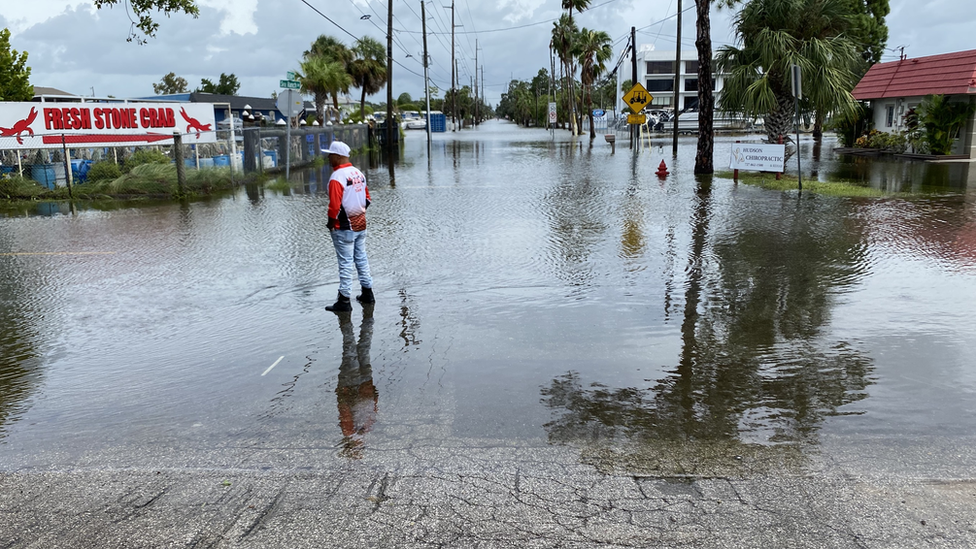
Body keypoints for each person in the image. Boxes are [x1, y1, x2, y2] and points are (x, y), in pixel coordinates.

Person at [322, 140, 374, 312]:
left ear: (338, 156)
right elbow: (367, 199)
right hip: (361, 225)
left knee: (345, 263)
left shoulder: (337, 177)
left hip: (343, 228)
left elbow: (334, 207)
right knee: (361, 258)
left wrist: (331, 224)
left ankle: (344, 300)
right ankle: (367, 293)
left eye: (330, 155)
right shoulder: (358, 173)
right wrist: (357, 215)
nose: (328, 158)